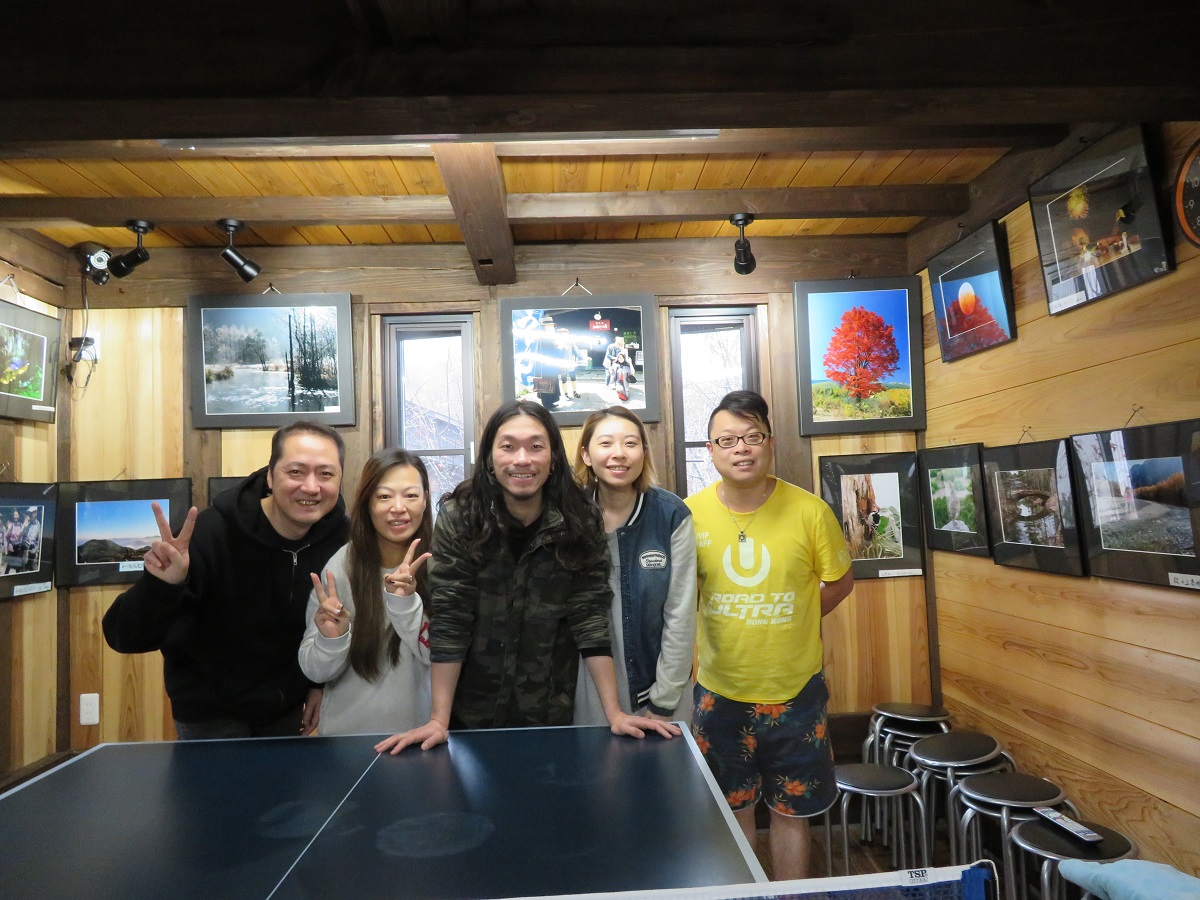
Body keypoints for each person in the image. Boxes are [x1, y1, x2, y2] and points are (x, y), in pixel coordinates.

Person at [375, 400, 679, 755]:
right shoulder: (460, 517)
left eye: (536, 446)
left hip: (550, 717)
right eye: (508, 446)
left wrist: (615, 713)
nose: (522, 459)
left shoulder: (580, 519)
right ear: (489, 458)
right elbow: (451, 618)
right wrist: (438, 720)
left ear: (553, 458)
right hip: (469, 718)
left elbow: (589, 616)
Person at [687, 390, 854, 881]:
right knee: (732, 812)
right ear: (711, 450)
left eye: (752, 436)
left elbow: (841, 581)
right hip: (719, 692)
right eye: (727, 440)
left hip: (796, 692)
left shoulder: (810, 511)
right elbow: (681, 600)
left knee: (791, 813)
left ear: (770, 443)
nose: (741, 448)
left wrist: (800, 616)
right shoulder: (688, 515)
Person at [102, 421, 349, 740]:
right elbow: (123, 637)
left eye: (326, 474)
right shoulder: (208, 534)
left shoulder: (341, 540)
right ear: (270, 476)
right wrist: (163, 586)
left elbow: (328, 625)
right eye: (296, 472)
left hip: (287, 710)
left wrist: (318, 684)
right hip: (210, 716)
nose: (311, 487)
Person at [571, 407, 696, 726]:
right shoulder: (568, 516)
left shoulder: (670, 514)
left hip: (660, 688)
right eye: (606, 443)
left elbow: (680, 614)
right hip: (587, 688)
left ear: (643, 452)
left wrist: (664, 700)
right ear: (586, 455)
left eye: (630, 443)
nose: (619, 454)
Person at [298, 448, 433, 735]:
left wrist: (406, 603)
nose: (398, 507)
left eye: (411, 495)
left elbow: (439, 655)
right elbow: (315, 671)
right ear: (367, 503)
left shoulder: (442, 565)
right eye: (384, 496)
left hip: (418, 737)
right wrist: (331, 639)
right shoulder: (342, 566)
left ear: (425, 500)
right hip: (345, 740)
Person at [529, 315, 563, 408]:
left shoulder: (548, 337)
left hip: (550, 366)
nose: (553, 328)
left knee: (551, 384)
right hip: (546, 367)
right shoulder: (544, 338)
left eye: (552, 326)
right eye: (551, 326)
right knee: (547, 384)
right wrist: (558, 347)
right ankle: (547, 404)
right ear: (545, 327)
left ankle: (550, 403)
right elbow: (548, 352)